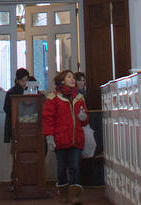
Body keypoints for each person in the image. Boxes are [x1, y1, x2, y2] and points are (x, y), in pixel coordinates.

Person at [42, 69, 87, 203]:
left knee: (74, 167)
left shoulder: (79, 98)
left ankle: (74, 197)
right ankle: (62, 194)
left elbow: (85, 119)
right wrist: (49, 137)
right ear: (62, 81)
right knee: (61, 168)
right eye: (69, 77)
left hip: (76, 139)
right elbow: (47, 119)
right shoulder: (53, 98)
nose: (73, 79)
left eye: (73, 77)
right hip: (60, 140)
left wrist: (83, 117)